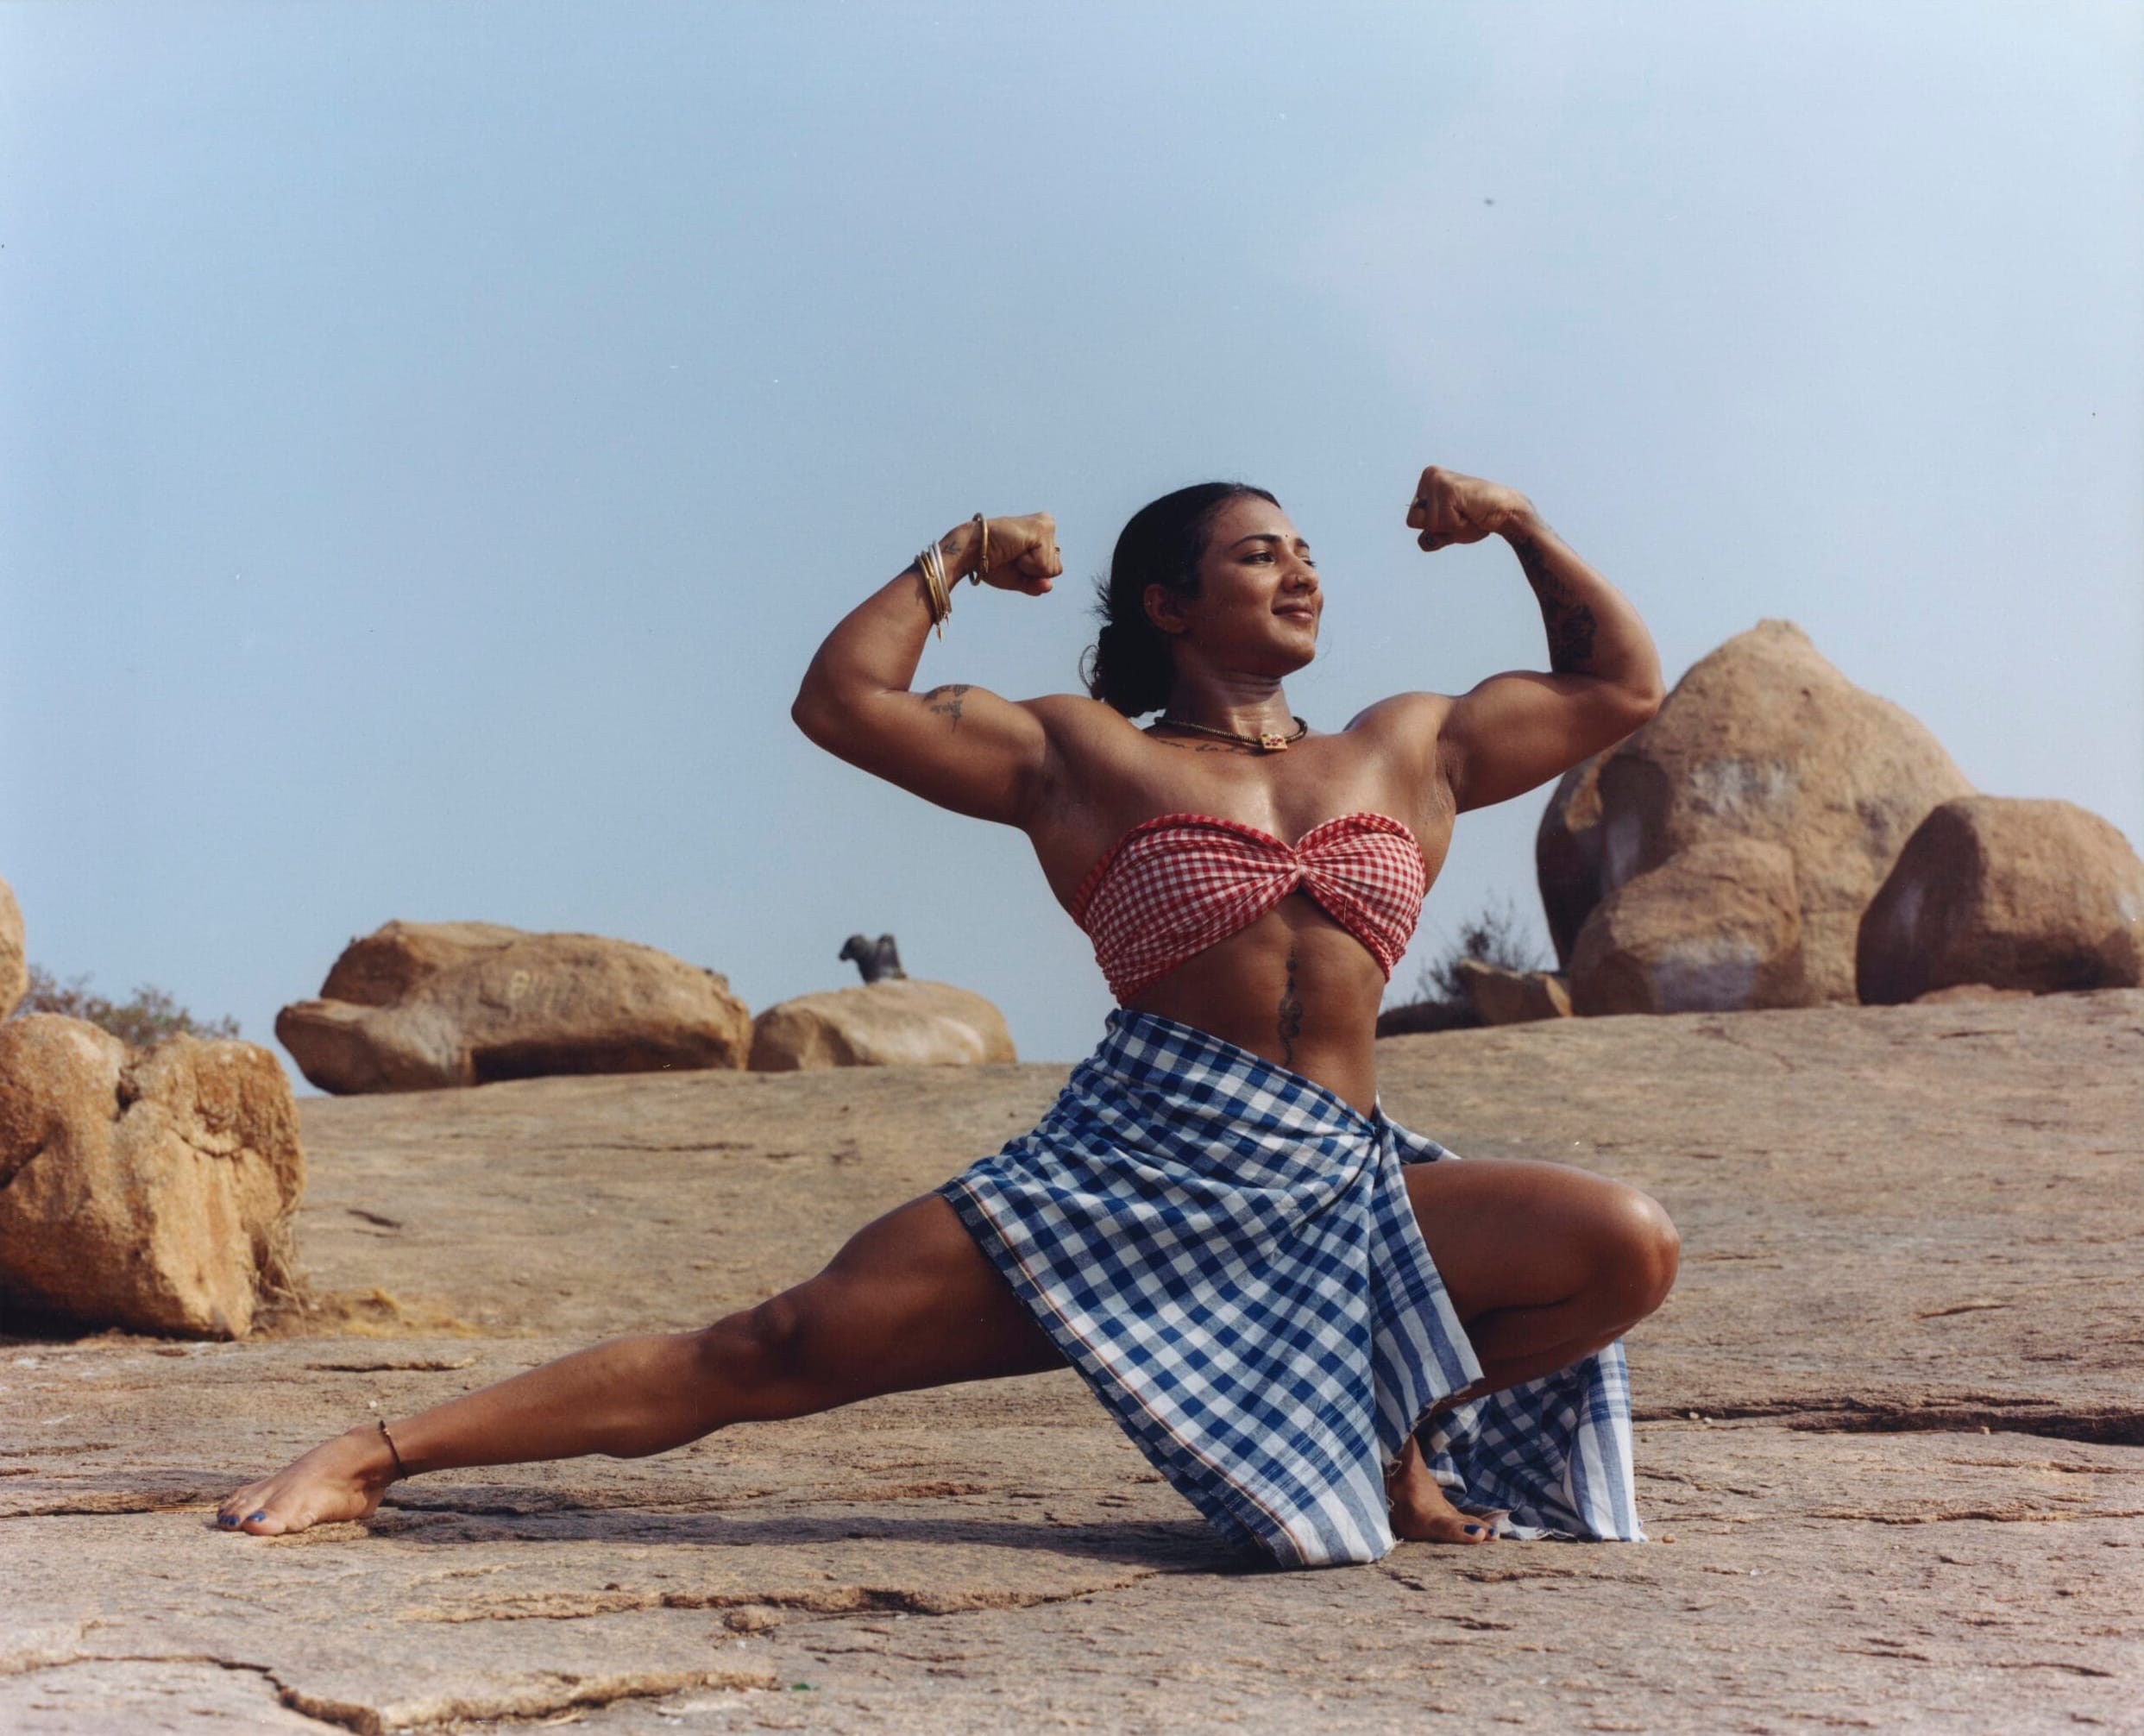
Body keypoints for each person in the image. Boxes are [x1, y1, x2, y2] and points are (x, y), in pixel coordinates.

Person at [217, 467, 1678, 1564]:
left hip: (1334, 1180)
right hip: (1134, 1170)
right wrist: (958, 555)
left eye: (1305, 554)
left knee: (1620, 1241)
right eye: (1256, 555)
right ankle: (375, 1451)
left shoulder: (1410, 745)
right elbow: (844, 700)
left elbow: (1618, 680)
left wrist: (1514, 523)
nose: (1300, 575)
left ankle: (1388, 1446)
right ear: (1169, 605)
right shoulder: (1078, 752)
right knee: (774, 1347)